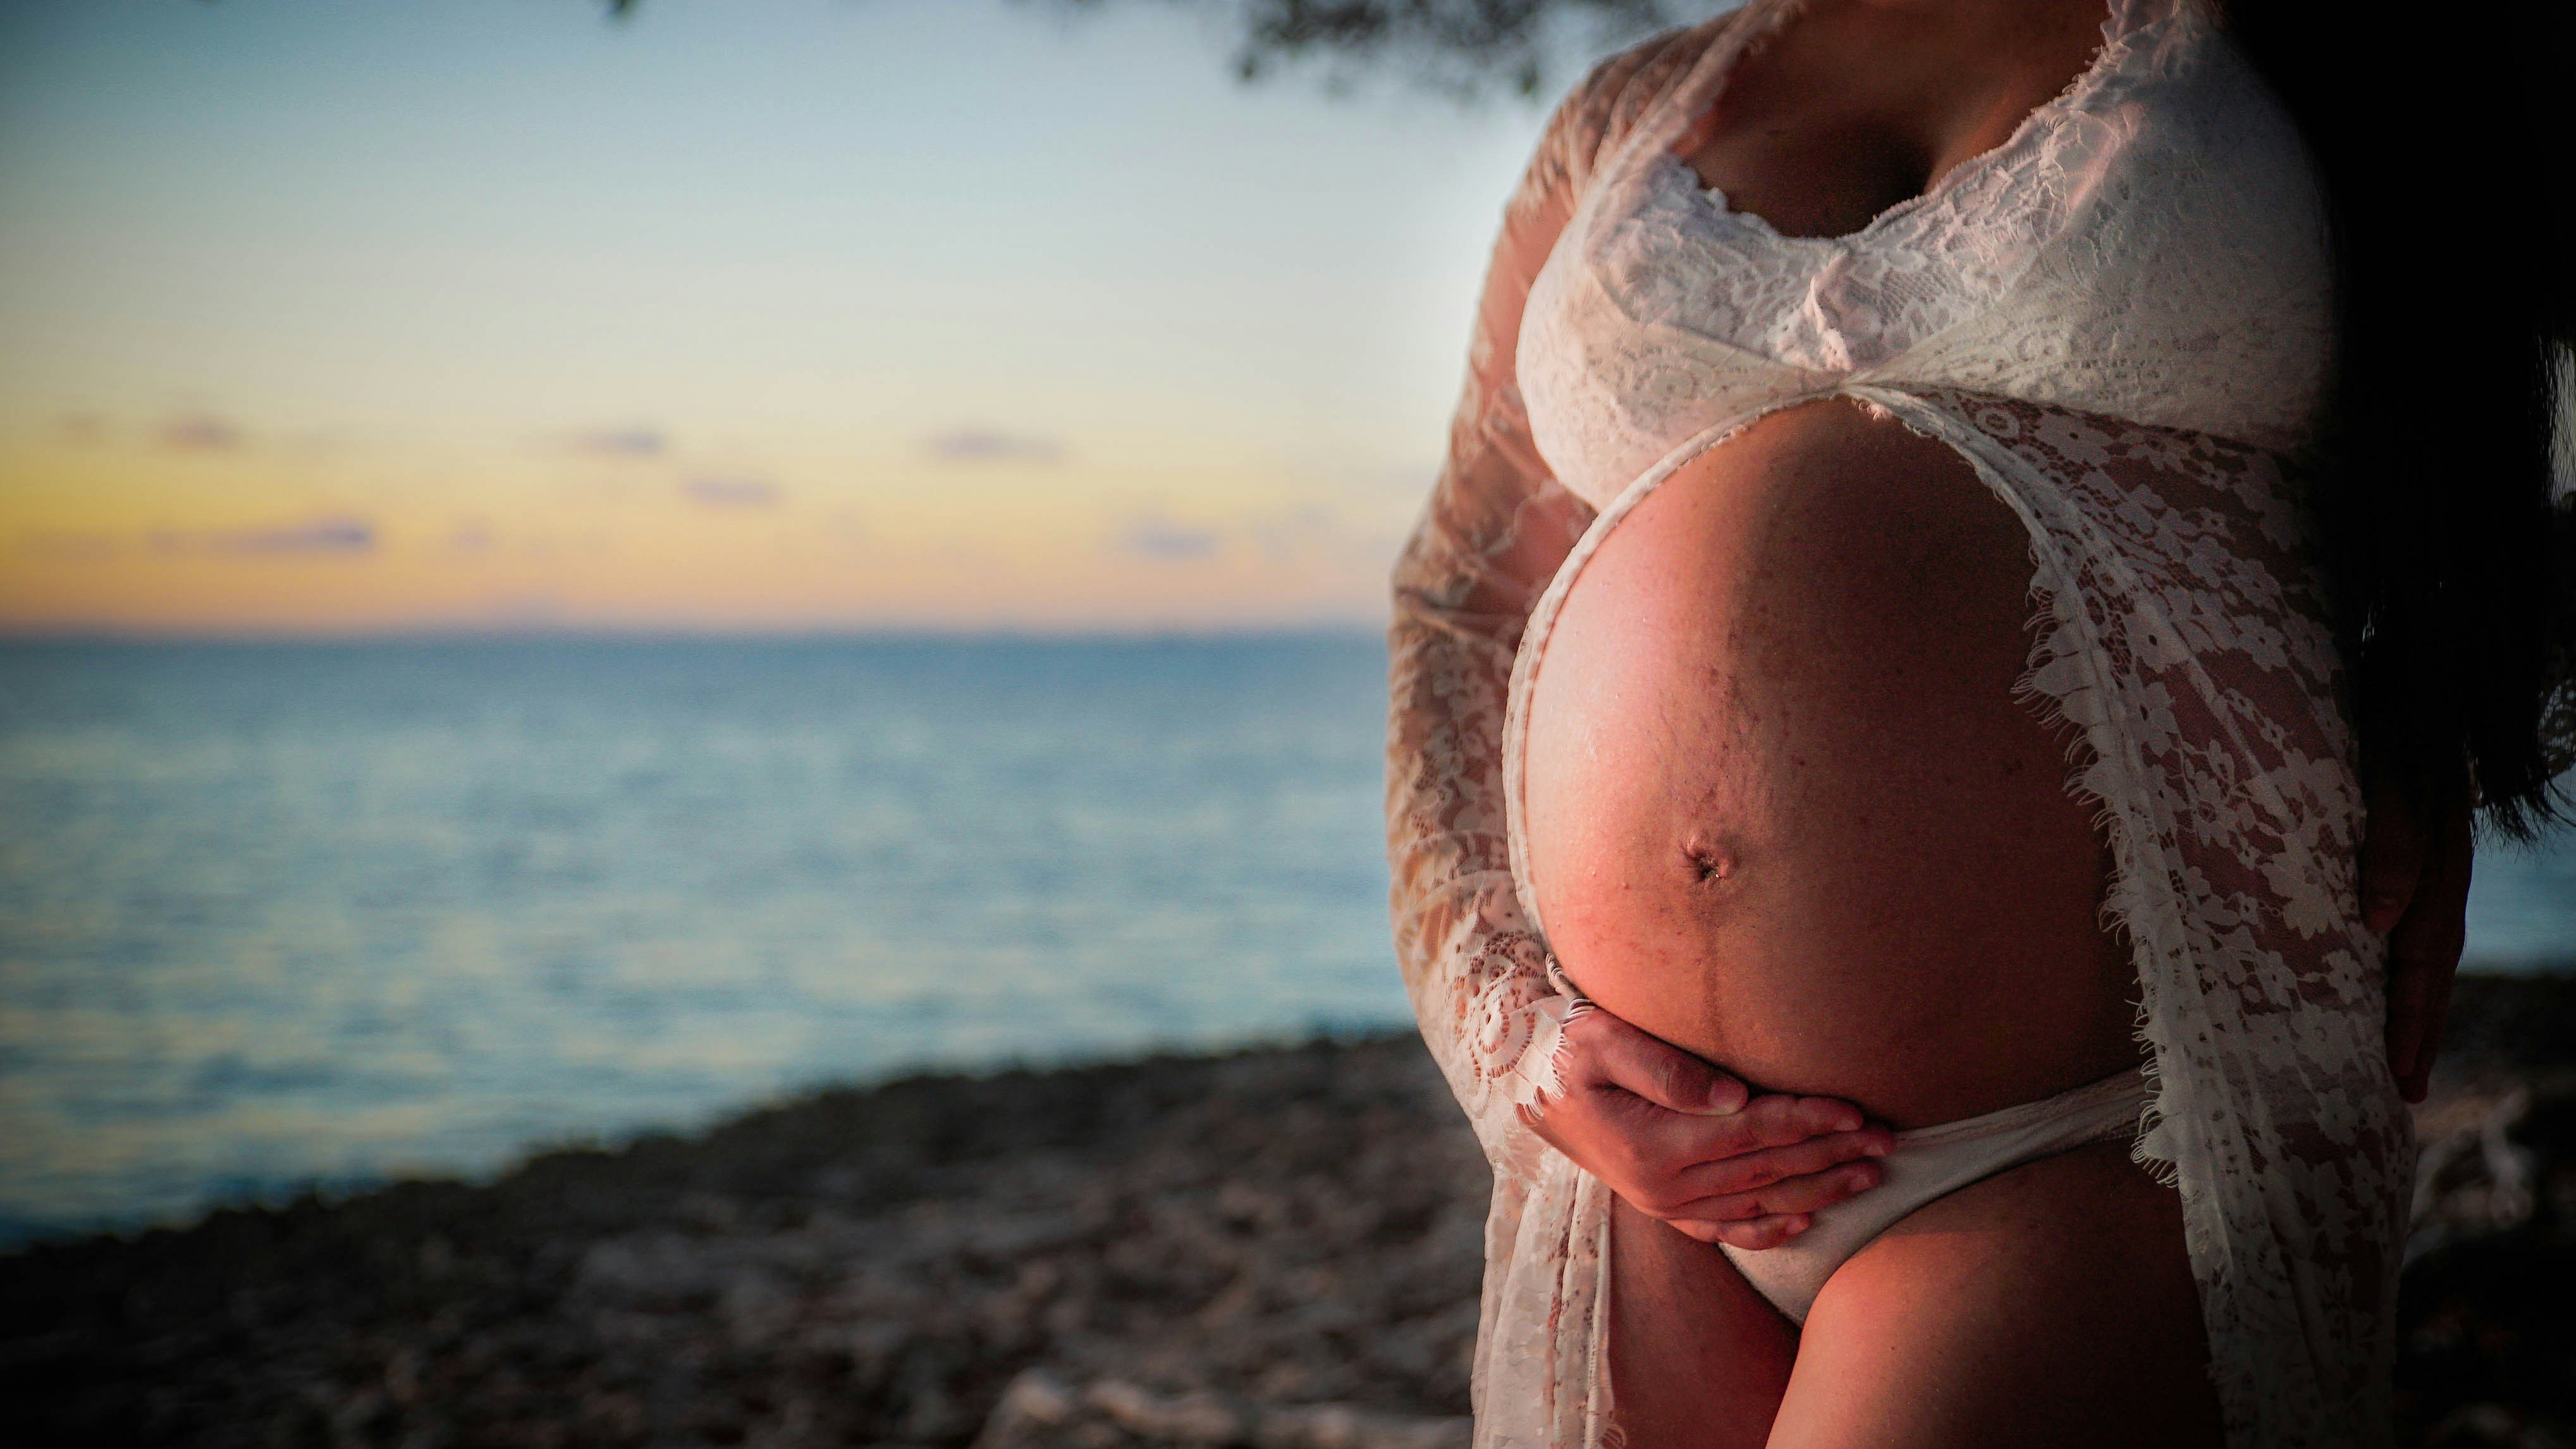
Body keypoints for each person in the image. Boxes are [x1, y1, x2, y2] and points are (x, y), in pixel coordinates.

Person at [1382, 0, 2569, 1445]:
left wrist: (2443, 693)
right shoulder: (1628, 115)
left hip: (2116, 1110)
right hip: (1642, 1172)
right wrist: (1510, 1032)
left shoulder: (2328, 32)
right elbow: (1461, 604)